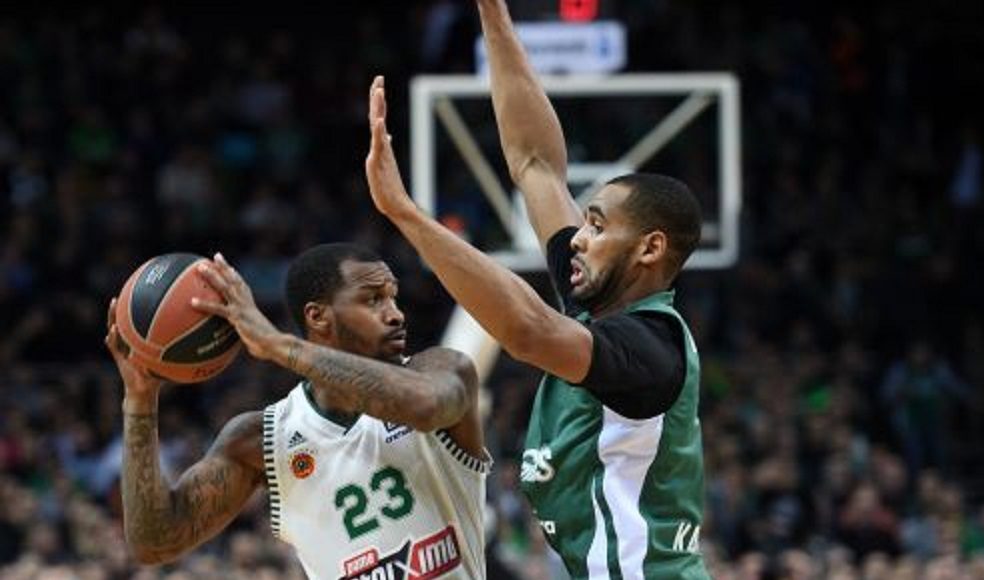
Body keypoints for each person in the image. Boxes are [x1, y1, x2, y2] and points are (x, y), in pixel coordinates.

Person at [362, 0, 708, 577]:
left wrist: (407, 215)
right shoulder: (593, 312)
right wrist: (494, 12)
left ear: (649, 249)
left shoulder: (652, 348)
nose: (578, 238)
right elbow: (535, 163)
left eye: (597, 227)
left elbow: (525, 331)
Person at [105, 244, 490, 579]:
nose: (395, 314)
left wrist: (277, 345)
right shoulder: (263, 439)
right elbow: (155, 543)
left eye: (393, 297)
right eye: (373, 299)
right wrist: (140, 400)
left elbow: (426, 407)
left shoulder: (442, 371)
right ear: (318, 317)